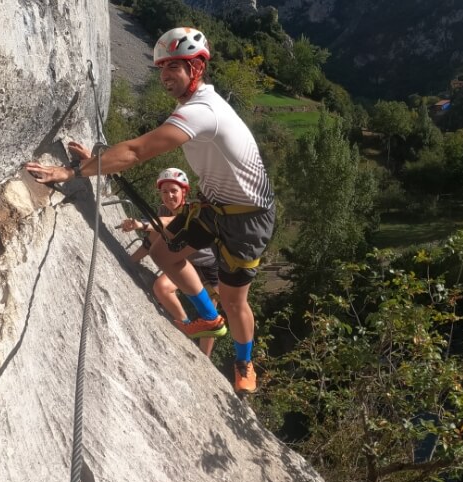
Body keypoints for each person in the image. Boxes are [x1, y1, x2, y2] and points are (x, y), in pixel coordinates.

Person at [25, 27, 275, 394]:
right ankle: (208, 318)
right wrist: (99, 161)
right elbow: (134, 151)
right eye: (162, 68)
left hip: (249, 218)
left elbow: (138, 151)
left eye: (175, 66)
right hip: (216, 205)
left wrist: (72, 172)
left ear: (197, 68)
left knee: (235, 298)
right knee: (162, 252)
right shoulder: (192, 107)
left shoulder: (203, 111)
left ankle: (244, 361)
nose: (165, 76)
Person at [120, 168, 223, 357]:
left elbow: (167, 222)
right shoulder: (162, 210)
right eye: (165, 191)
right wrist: (127, 262)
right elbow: (152, 239)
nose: (169, 196)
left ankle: (204, 359)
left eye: (174, 191)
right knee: (162, 287)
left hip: (209, 270)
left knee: (210, 321)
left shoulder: (193, 210)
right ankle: (185, 326)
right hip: (184, 265)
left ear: (185, 192)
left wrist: (141, 224)